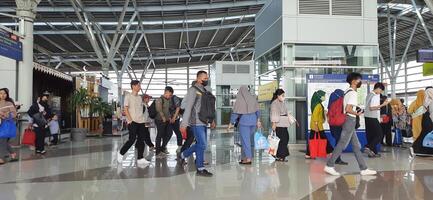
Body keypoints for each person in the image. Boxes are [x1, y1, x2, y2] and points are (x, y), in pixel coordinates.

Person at [324, 72, 377, 176]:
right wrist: (357, 113)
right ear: (353, 81)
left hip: (348, 120)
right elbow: (348, 109)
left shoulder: (347, 91)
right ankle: (329, 165)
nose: (360, 82)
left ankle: (364, 168)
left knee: (356, 146)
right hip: (350, 120)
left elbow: (346, 108)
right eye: (359, 80)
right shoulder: (352, 93)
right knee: (342, 143)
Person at [179, 71, 215, 177]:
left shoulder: (205, 90)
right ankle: (200, 169)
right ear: (198, 79)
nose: (206, 80)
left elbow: (209, 108)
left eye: (207, 78)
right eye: (204, 78)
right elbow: (189, 107)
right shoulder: (193, 90)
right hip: (195, 122)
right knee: (202, 144)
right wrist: (184, 124)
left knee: (201, 145)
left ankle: (182, 155)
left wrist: (212, 120)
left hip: (204, 122)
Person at [117, 80, 150, 166]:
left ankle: (140, 158)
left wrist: (144, 120)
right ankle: (121, 153)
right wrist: (130, 120)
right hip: (132, 121)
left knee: (141, 140)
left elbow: (140, 110)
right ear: (133, 86)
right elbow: (126, 109)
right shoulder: (128, 96)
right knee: (132, 139)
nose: (140, 87)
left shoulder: (139, 98)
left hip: (141, 121)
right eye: (138, 85)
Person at [227, 85, 261, 165]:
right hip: (253, 122)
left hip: (244, 123)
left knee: (246, 141)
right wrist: (258, 121)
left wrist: (230, 123)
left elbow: (235, 113)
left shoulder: (239, 101)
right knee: (246, 140)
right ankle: (244, 157)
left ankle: (248, 158)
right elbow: (258, 111)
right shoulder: (253, 99)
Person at [306, 90, 333, 159]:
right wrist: (316, 126)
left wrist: (323, 111)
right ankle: (330, 151)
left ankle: (308, 154)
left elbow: (317, 114)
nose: (324, 97)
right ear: (319, 96)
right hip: (317, 125)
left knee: (312, 139)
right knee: (323, 138)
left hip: (316, 125)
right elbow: (315, 116)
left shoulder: (318, 104)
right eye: (323, 96)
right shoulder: (318, 105)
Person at [364, 82, 389, 157]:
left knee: (371, 135)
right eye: (381, 90)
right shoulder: (374, 96)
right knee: (379, 134)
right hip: (372, 117)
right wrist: (383, 105)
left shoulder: (369, 95)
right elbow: (371, 108)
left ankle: (373, 152)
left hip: (367, 117)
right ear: (378, 88)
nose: (380, 92)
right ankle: (368, 147)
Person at [327, 89, 347, 165]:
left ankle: (336, 158)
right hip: (338, 124)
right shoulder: (340, 101)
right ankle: (337, 159)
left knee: (337, 141)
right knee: (339, 142)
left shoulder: (331, 100)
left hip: (332, 124)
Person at [411, 88, 433, 156]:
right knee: (426, 135)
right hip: (429, 121)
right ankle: (420, 149)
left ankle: (418, 148)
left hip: (426, 120)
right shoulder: (430, 101)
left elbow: (419, 111)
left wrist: (415, 116)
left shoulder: (425, 101)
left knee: (424, 135)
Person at [270, 89, 291, 162]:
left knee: (285, 139)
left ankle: (280, 155)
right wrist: (274, 124)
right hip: (278, 124)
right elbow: (274, 114)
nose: (283, 97)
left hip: (283, 123)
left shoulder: (281, 102)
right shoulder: (274, 103)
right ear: (278, 96)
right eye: (282, 95)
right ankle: (281, 156)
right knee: (282, 140)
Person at [154, 86, 175, 157]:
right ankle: (157, 152)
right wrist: (163, 117)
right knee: (159, 135)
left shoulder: (167, 100)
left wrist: (169, 117)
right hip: (159, 120)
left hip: (166, 120)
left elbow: (167, 110)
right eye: (170, 95)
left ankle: (162, 148)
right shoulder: (159, 99)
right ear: (166, 92)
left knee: (170, 133)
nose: (170, 96)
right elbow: (158, 109)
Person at [0, 88, 18, 164]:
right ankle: (13, 153)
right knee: (2, 141)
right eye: (1, 93)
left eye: (4, 93)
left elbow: (14, 114)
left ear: (7, 94)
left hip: (5, 124)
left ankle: (1, 158)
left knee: (2, 141)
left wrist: (3, 114)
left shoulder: (9, 103)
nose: (2, 95)